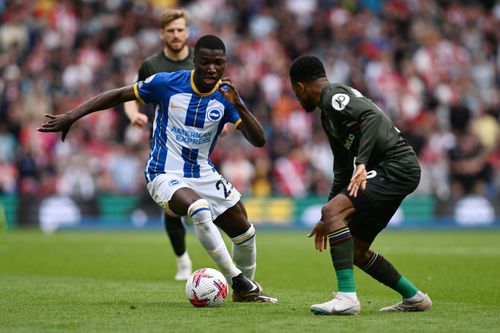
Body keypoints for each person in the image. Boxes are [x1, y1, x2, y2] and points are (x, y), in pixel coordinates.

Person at [38, 35, 277, 303]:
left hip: (203, 172)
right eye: (206, 62)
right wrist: (72, 116)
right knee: (199, 210)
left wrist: (240, 104)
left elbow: (259, 140)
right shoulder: (167, 83)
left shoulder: (226, 97)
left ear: (225, 64)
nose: (212, 69)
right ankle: (238, 280)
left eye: (218, 63)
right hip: (164, 172)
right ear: (195, 61)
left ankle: (245, 293)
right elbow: (118, 95)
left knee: (245, 233)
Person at [288, 55, 431, 315]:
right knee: (356, 250)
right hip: (387, 171)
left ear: (300, 87)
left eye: (296, 93)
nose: (298, 99)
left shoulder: (334, 95)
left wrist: (362, 163)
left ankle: (347, 298)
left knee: (335, 213)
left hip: (396, 166)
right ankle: (415, 298)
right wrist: (327, 212)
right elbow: (342, 170)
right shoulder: (327, 117)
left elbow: (372, 118)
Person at [124, 8, 194, 281]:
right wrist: (134, 115)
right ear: (162, 34)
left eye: (180, 30)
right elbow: (130, 96)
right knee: (172, 207)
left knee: (205, 208)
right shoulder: (151, 65)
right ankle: (183, 261)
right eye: (171, 31)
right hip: (165, 147)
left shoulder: (201, 63)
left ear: (187, 31)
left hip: (198, 146)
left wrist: (223, 124)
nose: (176, 35)